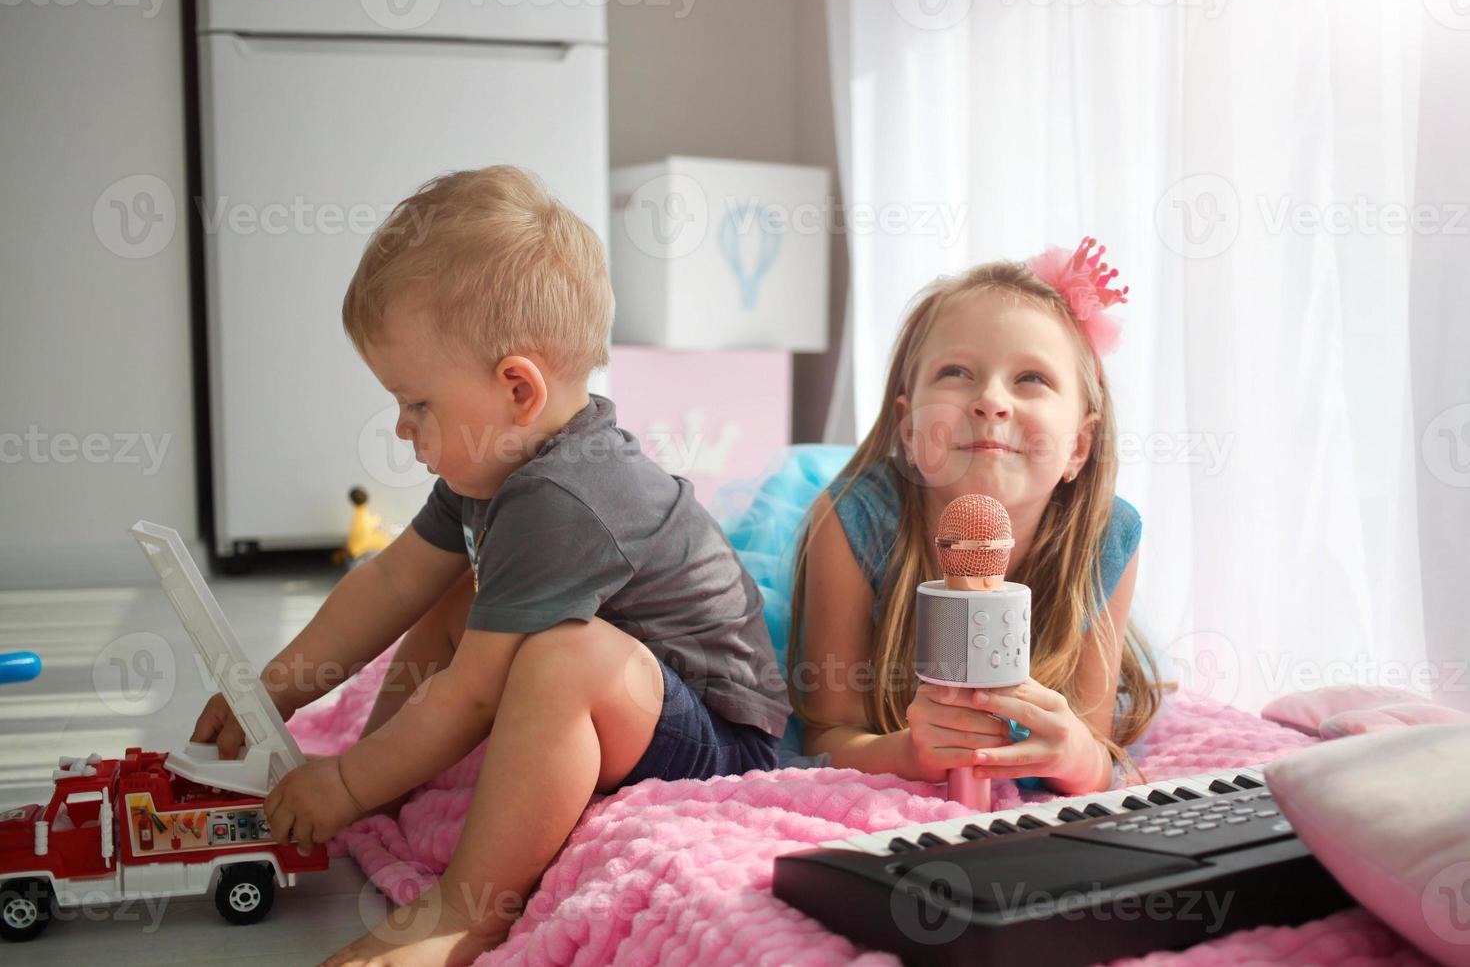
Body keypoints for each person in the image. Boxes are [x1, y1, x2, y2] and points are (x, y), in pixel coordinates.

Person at [189, 165, 789, 965]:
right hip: (641, 701)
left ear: (517, 387)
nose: (403, 428)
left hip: (712, 745)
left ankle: (465, 910)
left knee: (560, 656)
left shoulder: (562, 498)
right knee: (454, 585)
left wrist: (343, 783)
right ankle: (387, 776)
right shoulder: (491, 470)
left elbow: (470, 697)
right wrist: (275, 688)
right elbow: (394, 580)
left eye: (418, 403)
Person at [787, 239, 1170, 798]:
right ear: (909, 430)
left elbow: (1095, 748)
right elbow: (825, 736)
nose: (991, 401)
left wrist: (1077, 757)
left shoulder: (1105, 535)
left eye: (1031, 379)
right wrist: (909, 753)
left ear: (1079, 447)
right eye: (956, 372)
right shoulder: (849, 523)